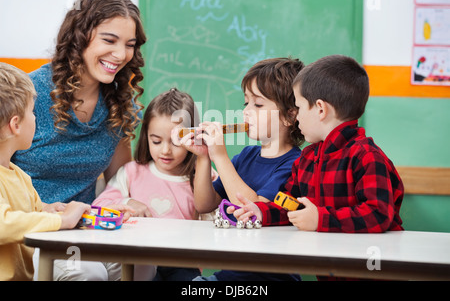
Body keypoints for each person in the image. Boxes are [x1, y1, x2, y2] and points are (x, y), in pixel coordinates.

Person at [11, 0, 146, 281]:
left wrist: (129, 200)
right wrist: (47, 212)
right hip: (29, 233)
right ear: (79, 37)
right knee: (87, 272)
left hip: (85, 231)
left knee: (144, 264)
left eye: (130, 45)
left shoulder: (120, 103)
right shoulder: (29, 94)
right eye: (109, 40)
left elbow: (119, 179)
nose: (121, 54)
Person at [231, 55, 404, 280]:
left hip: (373, 273)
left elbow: (377, 214)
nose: (297, 116)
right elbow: (290, 204)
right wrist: (261, 212)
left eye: (300, 107)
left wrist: (320, 219)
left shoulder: (366, 156)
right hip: (332, 271)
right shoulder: (308, 158)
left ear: (320, 109)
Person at [180, 57, 305, 281]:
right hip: (230, 274)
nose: (246, 111)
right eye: (245, 103)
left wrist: (220, 155)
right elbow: (204, 204)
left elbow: (254, 211)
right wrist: (204, 157)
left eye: (257, 104)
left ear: (289, 116)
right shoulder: (246, 156)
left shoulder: (295, 164)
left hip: (270, 279)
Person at [94, 88, 214, 281]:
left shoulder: (202, 177)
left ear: (192, 137)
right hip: (138, 262)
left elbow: (215, 225)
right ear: (146, 136)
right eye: (156, 141)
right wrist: (128, 202)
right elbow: (98, 207)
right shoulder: (132, 173)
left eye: (176, 142)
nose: (165, 150)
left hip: (183, 265)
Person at [0, 62, 92, 281]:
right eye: (32, 112)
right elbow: (4, 224)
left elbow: (34, 216)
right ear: (15, 124)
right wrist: (64, 221)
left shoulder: (19, 176)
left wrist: (83, 214)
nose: (35, 118)